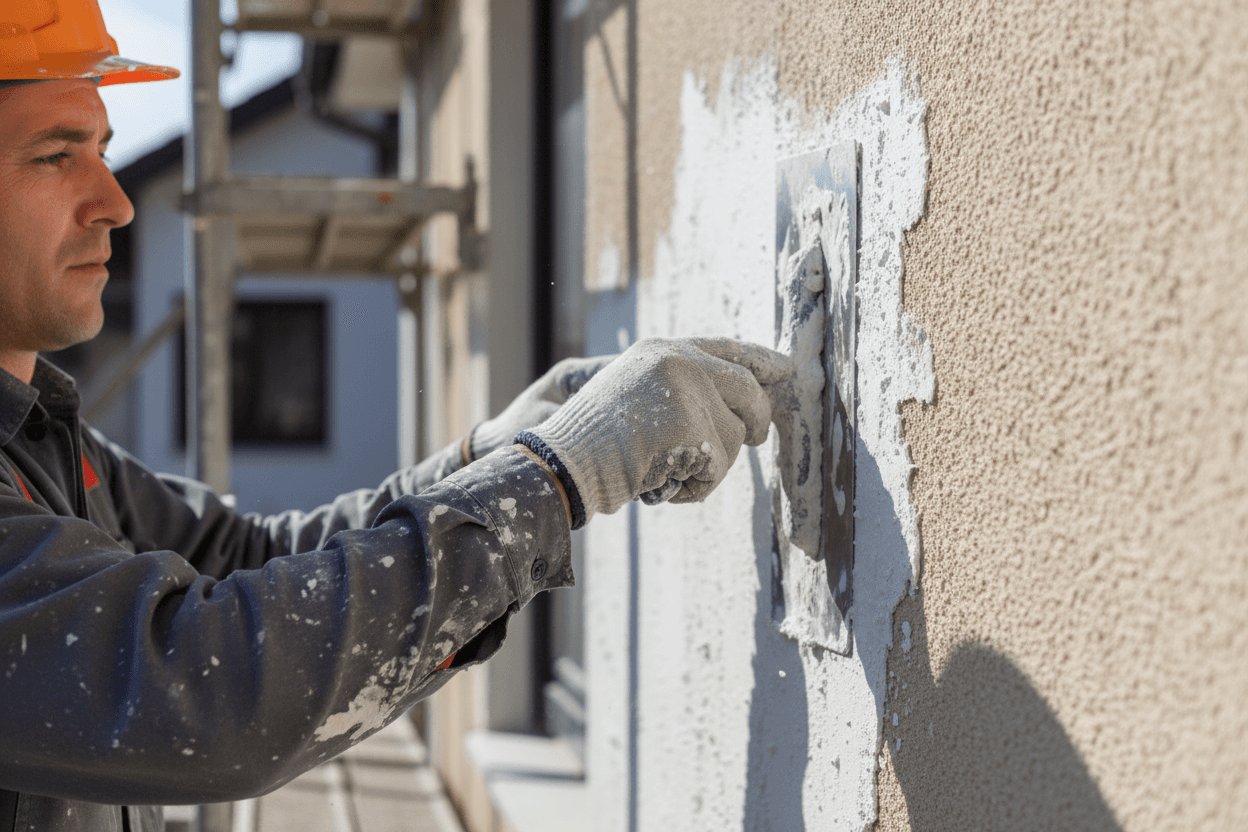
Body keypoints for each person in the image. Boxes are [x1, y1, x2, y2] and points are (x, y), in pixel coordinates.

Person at [0, 3, 788, 830]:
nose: (116, 202)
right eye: (55, 155)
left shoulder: (44, 439)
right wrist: (556, 479)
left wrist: (488, 462)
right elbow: (205, 686)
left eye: (102, 150)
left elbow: (247, 559)